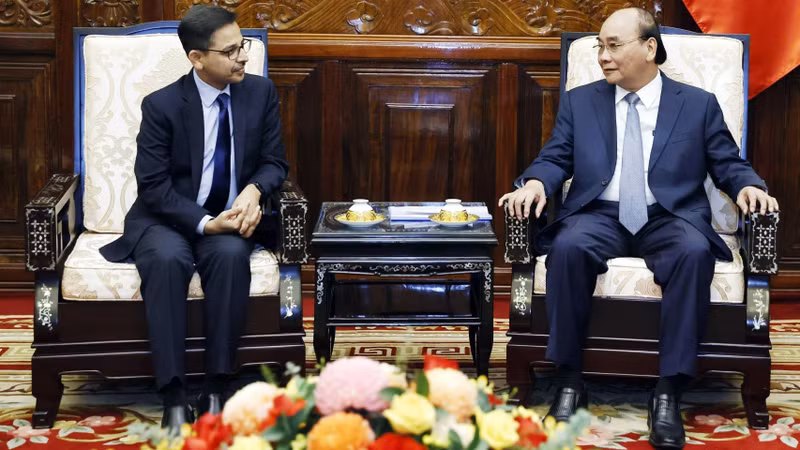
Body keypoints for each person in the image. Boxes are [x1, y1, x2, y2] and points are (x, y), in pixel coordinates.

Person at [498, 7, 778, 449]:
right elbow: (555, 156)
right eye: (600, 46)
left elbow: (727, 162)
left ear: (650, 48)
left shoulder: (697, 104)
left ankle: (668, 390)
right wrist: (534, 183)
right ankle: (569, 381)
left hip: (669, 215)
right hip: (600, 214)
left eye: (613, 45)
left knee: (693, 252)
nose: (603, 56)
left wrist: (749, 187)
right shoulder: (582, 101)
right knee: (568, 247)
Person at [99, 5, 288, 432]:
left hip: (229, 216)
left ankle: (217, 386)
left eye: (243, 46)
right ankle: (173, 393)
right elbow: (153, 186)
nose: (243, 57)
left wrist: (254, 190)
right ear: (197, 58)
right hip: (167, 218)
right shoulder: (162, 105)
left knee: (230, 257)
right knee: (166, 260)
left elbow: (275, 162)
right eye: (231, 51)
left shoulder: (260, 93)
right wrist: (205, 223)